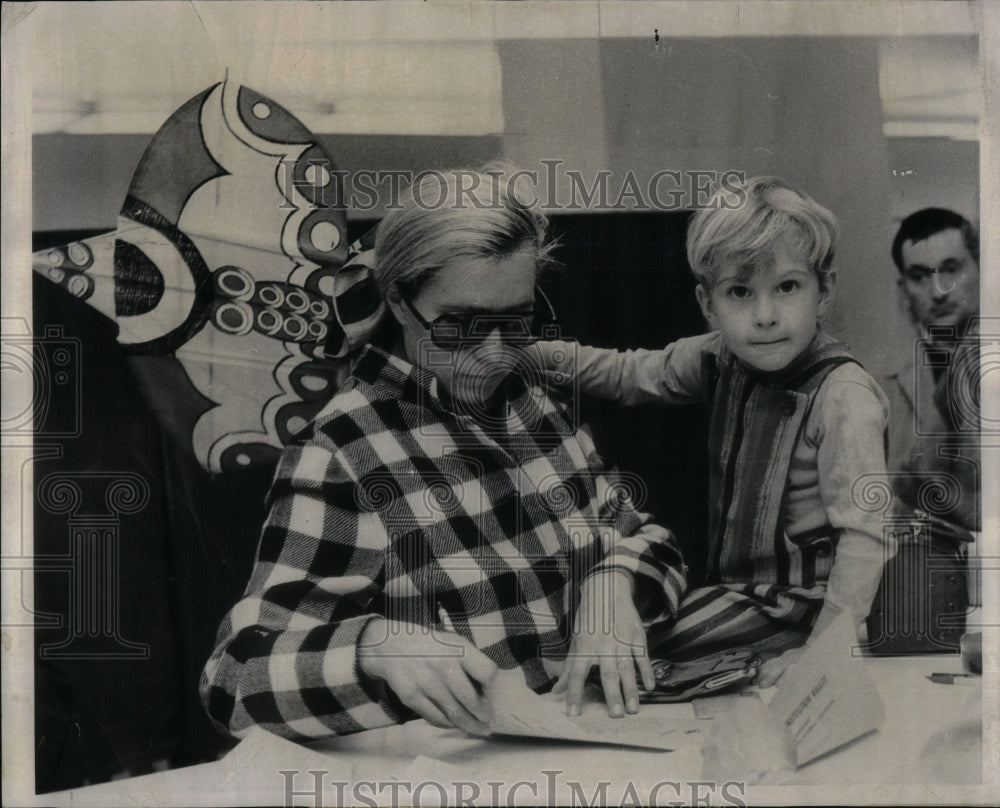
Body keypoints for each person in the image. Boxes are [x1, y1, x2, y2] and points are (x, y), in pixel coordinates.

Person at [199, 167, 688, 741]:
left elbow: (651, 539)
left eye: (515, 321)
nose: (494, 354)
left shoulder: (536, 404)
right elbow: (231, 681)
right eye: (460, 326)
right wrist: (373, 647)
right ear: (401, 304)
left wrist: (615, 579)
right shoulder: (343, 451)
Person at [538, 176, 893, 685]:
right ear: (708, 304)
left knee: (610, 652)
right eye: (740, 292)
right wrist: (529, 353)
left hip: (803, 607)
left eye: (787, 287)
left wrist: (822, 655)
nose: (765, 316)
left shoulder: (843, 397)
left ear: (824, 291)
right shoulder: (716, 357)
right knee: (599, 625)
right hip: (735, 590)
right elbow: (625, 374)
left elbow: (865, 538)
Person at [883, 207, 980, 532]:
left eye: (951, 269)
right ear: (902, 289)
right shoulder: (877, 384)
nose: (938, 291)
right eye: (920, 276)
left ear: (982, 269)